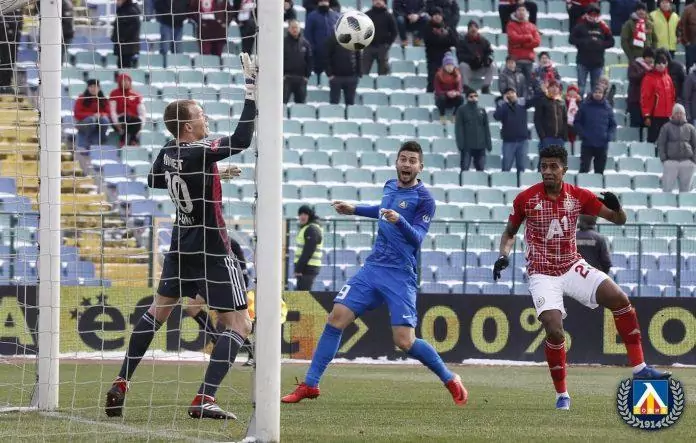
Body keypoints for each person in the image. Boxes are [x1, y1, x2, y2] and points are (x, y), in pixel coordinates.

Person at [105, 53, 258, 420]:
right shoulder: (199, 150)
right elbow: (241, 139)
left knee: (157, 312)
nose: (205, 119)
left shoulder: (169, 150)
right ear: (187, 127)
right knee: (240, 324)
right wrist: (252, 93)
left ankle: (122, 381)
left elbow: (155, 180)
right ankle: (204, 398)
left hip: (180, 244)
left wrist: (211, 174)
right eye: (200, 116)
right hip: (211, 247)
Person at [281, 141, 468, 406]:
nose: (406, 164)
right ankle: (310, 384)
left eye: (412, 160)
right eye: (402, 159)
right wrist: (354, 209)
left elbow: (417, 239)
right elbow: (381, 211)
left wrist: (399, 220)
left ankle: (449, 377)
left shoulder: (425, 200)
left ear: (420, 167)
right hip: (373, 268)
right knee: (335, 318)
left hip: (400, 274)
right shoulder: (390, 186)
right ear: (396, 162)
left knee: (404, 341)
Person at [493, 144, 671, 411]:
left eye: (554, 166)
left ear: (564, 169)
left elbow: (618, 220)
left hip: (571, 265)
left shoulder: (579, 196)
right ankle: (562, 394)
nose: (548, 171)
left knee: (620, 299)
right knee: (554, 330)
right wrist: (504, 255)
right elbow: (509, 233)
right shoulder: (526, 199)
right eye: (544, 166)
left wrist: (617, 207)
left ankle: (640, 368)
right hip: (542, 272)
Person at [184, 236, 255, 366]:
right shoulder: (201, 239)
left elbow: (241, 265)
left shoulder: (226, 240)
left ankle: (252, 352)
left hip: (231, 283)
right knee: (192, 307)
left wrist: (242, 284)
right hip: (212, 281)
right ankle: (216, 338)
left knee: (232, 321)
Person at [569, 3, 614, 95]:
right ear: (587, 14)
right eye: (591, 14)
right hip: (582, 62)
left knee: (596, 88)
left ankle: (593, 108)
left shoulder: (603, 26)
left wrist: (601, 44)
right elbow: (571, 39)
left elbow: (611, 42)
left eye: (595, 14)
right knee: (581, 88)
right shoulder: (580, 25)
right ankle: (579, 107)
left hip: (597, 63)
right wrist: (584, 42)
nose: (593, 16)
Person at [573, 85, 617, 174]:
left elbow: (613, 125)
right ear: (592, 93)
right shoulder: (585, 106)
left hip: (602, 144)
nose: (597, 94)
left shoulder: (607, 108)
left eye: (600, 92)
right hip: (587, 143)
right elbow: (577, 122)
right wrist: (583, 134)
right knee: (584, 169)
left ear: (603, 94)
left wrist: (608, 136)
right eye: (596, 92)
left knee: (599, 171)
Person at [656, 103, 696, 192]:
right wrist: (664, 159)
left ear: (684, 115)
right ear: (673, 114)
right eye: (676, 113)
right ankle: (666, 204)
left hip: (687, 161)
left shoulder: (690, 128)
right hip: (671, 161)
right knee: (667, 188)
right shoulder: (666, 127)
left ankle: (685, 205)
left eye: (681, 113)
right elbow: (661, 144)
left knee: (686, 191)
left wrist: (693, 160)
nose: (679, 115)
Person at [493, 87, 531, 173]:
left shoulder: (522, 105)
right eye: (508, 93)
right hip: (508, 141)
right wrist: (504, 104)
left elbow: (534, 101)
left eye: (512, 92)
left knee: (521, 167)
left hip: (523, 141)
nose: (511, 95)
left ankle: (520, 185)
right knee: (506, 166)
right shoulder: (503, 107)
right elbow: (496, 116)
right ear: (505, 96)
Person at [641, 52, 676, 143]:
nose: (661, 65)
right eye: (659, 63)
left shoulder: (668, 78)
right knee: (653, 140)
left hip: (667, 115)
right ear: (655, 64)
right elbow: (645, 98)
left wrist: (672, 112)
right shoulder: (649, 78)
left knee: (666, 141)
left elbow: (672, 96)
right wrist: (646, 115)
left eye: (663, 63)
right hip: (654, 116)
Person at [455, 89, 491, 171]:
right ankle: (462, 183)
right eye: (471, 96)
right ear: (467, 98)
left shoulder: (482, 110)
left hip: (481, 145)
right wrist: (460, 144)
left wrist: (488, 144)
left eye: (475, 96)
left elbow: (486, 128)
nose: (474, 98)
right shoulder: (462, 110)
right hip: (467, 146)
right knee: (464, 169)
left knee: (481, 169)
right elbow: (459, 128)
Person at [423, 8, 457, 93]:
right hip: (432, 58)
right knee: (432, 79)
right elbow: (430, 41)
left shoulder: (447, 27)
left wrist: (444, 36)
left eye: (439, 15)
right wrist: (443, 37)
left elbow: (455, 41)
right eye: (435, 15)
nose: (437, 17)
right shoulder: (427, 27)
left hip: (446, 58)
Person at [305, 0, 340, 79]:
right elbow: (308, 34)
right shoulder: (312, 16)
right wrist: (313, 48)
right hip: (318, 52)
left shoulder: (335, 16)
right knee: (317, 73)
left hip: (332, 53)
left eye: (325, 1)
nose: (324, 3)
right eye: (322, 1)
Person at [109, 73, 146, 147]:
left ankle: (132, 139)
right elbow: (112, 111)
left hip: (133, 121)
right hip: (119, 119)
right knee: (126, 117)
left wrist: (141, 124)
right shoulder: (114, 93)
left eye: (127, 80)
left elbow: (142, 112)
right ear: (119, 82)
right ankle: (124, 138)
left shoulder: (136, 95)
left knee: (135, 120)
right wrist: (116, 123)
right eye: (123, 81)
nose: (126, 82)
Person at [456, 20, 494, 94]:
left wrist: (488, 59)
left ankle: (486, 87)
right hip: (468, 69)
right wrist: (472, 59)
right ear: (468, 29)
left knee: (492, 65)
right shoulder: (462, 41)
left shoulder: (484, 41)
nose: (473, 29)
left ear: (478, 29)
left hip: (480, 67)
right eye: (471, 27)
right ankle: (465, 87)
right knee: (462, 65)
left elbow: (490, 52)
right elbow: (460, 56)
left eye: (475, 27)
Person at [506, 5, 541, 84]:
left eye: (523, 10)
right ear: (515, 13)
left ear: (526, 12)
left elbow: (537, 41)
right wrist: (528, 37)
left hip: (529, 60)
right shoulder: (511, 25)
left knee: (530, 84)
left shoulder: (532, 26)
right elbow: (513, 38)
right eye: (519, 10)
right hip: (516, 60)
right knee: (516, 84)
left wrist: (522, 45)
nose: (521, 12)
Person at [73, 79, 111, 151]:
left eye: (96, 87)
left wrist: (100, 115)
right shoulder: (82, 98)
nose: (93, 89)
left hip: (98, 122)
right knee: (91, 120)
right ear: (88, 88)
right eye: (91, 87)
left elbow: (108, 113)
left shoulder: (103, 99)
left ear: (99, 88)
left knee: (104, 120)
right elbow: (77, 114)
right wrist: (93, 115)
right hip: (83, 123)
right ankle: (86, 143)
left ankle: (101, 140)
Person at [364, 0, 398, 76]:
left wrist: (388, 44)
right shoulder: (366, 15)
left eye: (380, 0)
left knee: (383, 74)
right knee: (364, 72)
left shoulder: (389, 16)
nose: (378, 2)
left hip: (382, 47)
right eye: (375, 0)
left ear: (384, 2)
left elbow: (394, 32)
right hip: (368, 47)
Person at [325, 35, 361, 105]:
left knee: (350, 104)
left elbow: (358, 57)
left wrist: (358, 73)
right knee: (334, 103)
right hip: (336, 77)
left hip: (351, 77)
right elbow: (326, 57)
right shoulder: (332, 39)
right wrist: (329, 74)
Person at [294, 205, 324, 291]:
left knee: (302, 296)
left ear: (309, 216)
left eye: (305, 214)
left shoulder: (311, 229)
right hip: (307, 267)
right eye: (300, 214)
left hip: (308, 268)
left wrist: (299, 268)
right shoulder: (309, 228)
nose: (302, 216)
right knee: (301, 294)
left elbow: (308, 250)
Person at [627, 47, 655, 140]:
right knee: (636, 125)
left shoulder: (653, 68)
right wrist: (645, 72)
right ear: (644, 57)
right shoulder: (634, 65)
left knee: (647, 125)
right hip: (635, 100)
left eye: (652, 58)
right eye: (649, 57)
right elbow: (633, 78)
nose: (651, 60)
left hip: (647, 102)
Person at [284, 20, 312, 104]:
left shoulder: (305, 43)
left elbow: (310, 60)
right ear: (288, 29)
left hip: (301, 79)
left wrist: (307, 76)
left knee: (301, 104)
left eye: (296, 27)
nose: (294, 29)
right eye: (292, 27)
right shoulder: (282, 43)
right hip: (286, 79)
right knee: (282, 105)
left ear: (299, 29)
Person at [534, 80, 568, 150]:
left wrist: (564, 136)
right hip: (547, 139)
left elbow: (565, 119)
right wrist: (543, 137)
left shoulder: (562, 102)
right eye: (552, 86)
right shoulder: (542, 100)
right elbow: (537, 120)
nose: (554, 89)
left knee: (558, 160)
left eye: (556, 87)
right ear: (548, 88)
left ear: (559, 89)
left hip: (559, 139)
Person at [433, 52, 463, 122]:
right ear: (444, 66)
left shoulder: (457, 75)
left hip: (453, 97)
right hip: (442, 98)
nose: (450, 67)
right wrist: (447, 93)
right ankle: (442, 115)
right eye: (448, 65)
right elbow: (437, 91)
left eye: (451, 65)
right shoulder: (438, 75)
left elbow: (459, 89)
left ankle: (455, 115)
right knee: (441, 98)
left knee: (461, 99)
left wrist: (455, 93)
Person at [112, 0, 141, 69]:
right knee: (121, 67)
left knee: (126, 68)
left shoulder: (132, 10)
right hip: (122, 46)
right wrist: (114, 37)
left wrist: (122, 38)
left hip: (128, 47)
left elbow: (134, 27)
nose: (117, 2)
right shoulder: (121, 10)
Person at [565, 84, 582, 153]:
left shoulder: (579, 101)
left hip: (575, 124)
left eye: (574, 91)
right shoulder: (564, 100)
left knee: (574, 139)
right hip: (566, 124)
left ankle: (573, 151)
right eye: (570, 90)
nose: (572, 92)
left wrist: (580, 101)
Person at [680, 1, 696, 70]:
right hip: (691, 43)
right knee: (690, 66)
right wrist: (686, 41)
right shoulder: (688, 9)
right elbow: (682, 26)